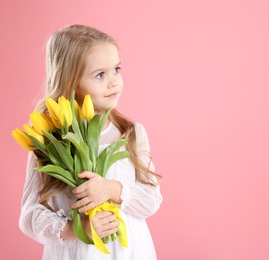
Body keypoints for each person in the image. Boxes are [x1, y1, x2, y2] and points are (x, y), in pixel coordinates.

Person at [19, 24, 163, 259]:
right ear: (71, 83)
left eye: (116, 69)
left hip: (128, 251)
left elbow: (151, 201)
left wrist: (112, 190)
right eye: (100, 75)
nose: (113, 81)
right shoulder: (49, 141)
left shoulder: (131, 133)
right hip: (75, 252)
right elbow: (30, 215)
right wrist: (77, 229)